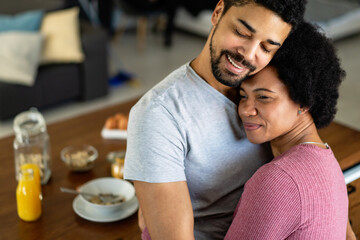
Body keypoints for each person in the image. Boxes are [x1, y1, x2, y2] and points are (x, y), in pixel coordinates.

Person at [124, 0, 306, 239]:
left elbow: (309, 156)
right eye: (241, 32)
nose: (248, 56)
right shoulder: (158, 114)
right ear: (218, 13)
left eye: (267, 48)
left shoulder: (274, 88)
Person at [224, 21, 349, 239]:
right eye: (243, 95)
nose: (245, 110)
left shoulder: (279, 179)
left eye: (263, 97)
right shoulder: (326, 159)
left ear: (304, 101)